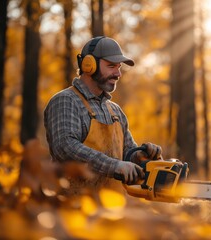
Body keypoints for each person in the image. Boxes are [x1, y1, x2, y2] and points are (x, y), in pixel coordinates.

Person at [44, 36, 162, 194]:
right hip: (70, 209)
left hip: (111, 211)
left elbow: (126, 155)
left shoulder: (115, 111)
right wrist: (115, 166)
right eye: (111, 66)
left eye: (119, 67)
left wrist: (141, 157)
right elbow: (65, 148)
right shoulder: (66, 101)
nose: (118, 74)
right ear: (89, 65)